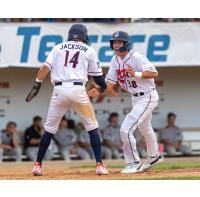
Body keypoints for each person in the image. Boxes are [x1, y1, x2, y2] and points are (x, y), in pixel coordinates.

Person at [26, 24, 115, 176]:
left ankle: (38, 165)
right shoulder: (89, 50)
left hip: (59, 90)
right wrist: (102, 88)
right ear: (84, 36)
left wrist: (37, 85)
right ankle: (99, 165)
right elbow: (99, 79)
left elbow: (44, 68)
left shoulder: (57, 47)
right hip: (78, 89)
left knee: (49, 129)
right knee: (92, 127)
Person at [88, 31, 163, 173]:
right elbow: (110, 82)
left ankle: (133, 163)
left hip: (147, 96)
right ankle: (154, 156)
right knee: (145, 127)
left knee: (126, 129)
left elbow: (154, 73)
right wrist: (99, 90)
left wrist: (135, 73)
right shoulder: (115, 60)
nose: (116, 45)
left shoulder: (136, 57)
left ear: (126, 44)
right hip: (136, 97)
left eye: (119, 42)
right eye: (114, 42)